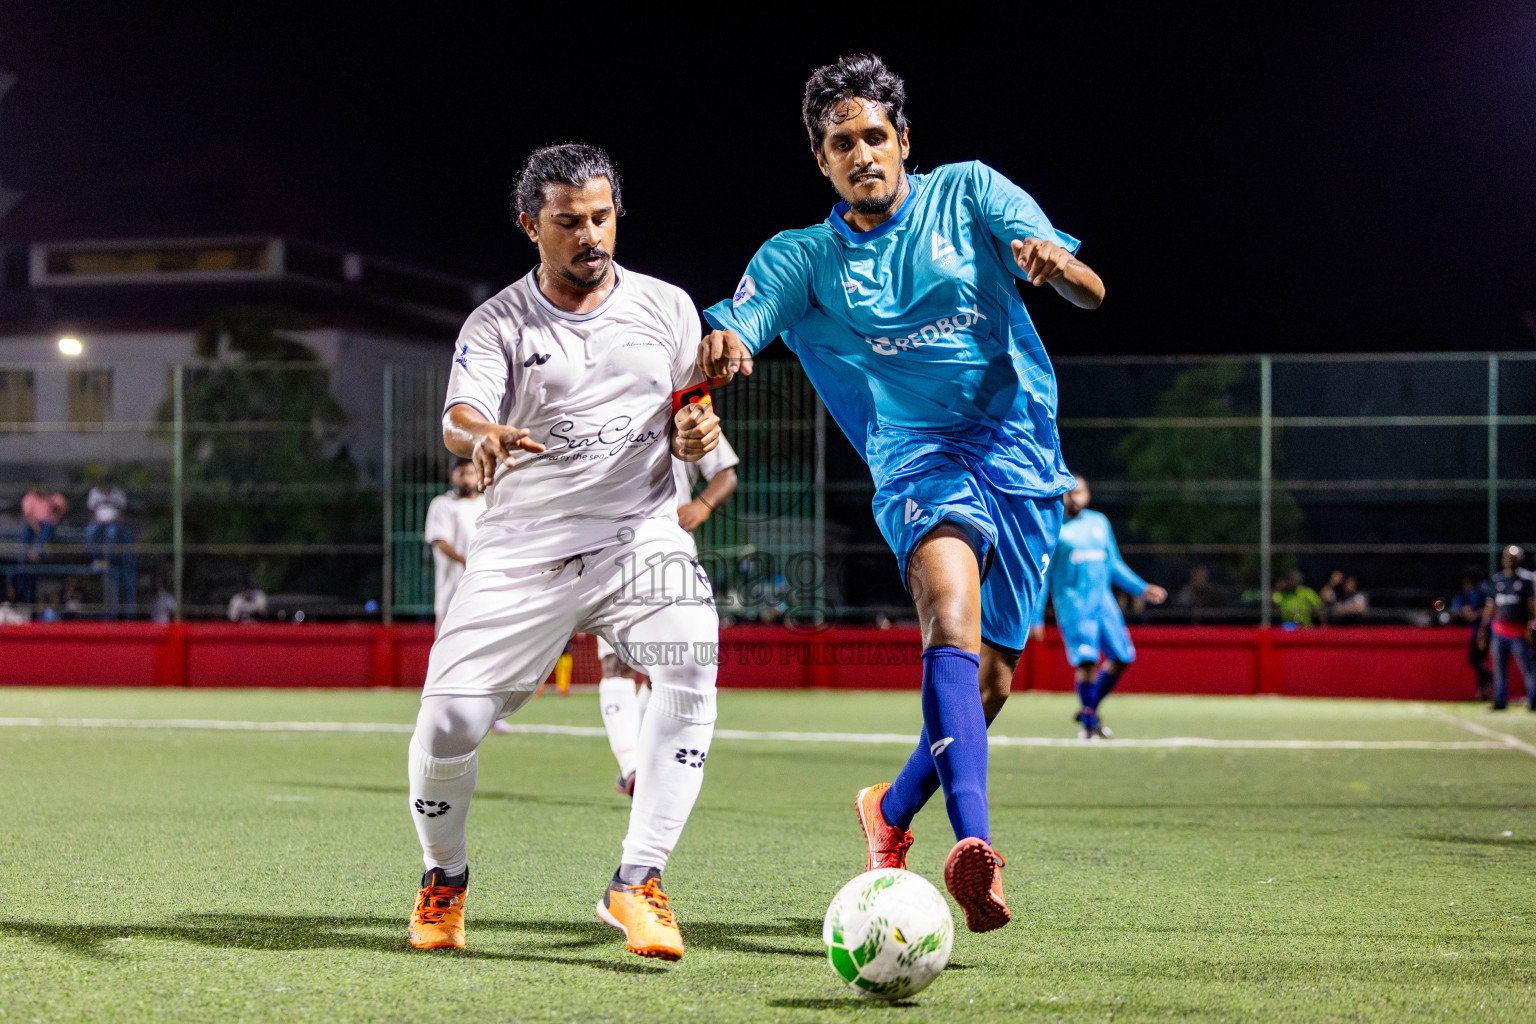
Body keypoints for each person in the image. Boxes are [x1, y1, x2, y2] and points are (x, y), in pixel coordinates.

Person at [697, 54, 1105, 933]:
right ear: (822, 161)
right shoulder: (804, 257)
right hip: (918, 462)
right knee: (947, 617)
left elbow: (1090, 289)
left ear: (904, 141)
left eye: (875, 136)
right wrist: (727, 344)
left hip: (1023, 458)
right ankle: (976, 848)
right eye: (841, 143)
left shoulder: (970, 193)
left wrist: (1052, 267)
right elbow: (744, 316)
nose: (862, 154)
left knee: (992, 681)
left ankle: (889, 811)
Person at [407, 143, 721, 962]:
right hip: (523, 550)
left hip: (639, 535)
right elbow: (460, 415)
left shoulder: (668, 307)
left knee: (691, 659)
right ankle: (445, 878)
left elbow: (691, 409)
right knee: (448, 723)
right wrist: (484, 436)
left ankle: (639, 878)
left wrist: (697, 426)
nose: (590, 235)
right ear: (530, 226)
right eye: (568, 222)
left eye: (601, 216)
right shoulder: (498, 322)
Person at [596, 434, 740, 795]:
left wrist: (702, 506)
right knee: (614, 663)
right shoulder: (598, 400)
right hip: (606, 547)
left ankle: (640, 765)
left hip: (667, 550)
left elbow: (726, 473)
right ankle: (632, 769)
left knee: (663, 665)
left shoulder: (686, 408)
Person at [1032, 476, 1166, 739]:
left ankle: (1088, 711)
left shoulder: (1099, 522)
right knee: (1087, 661)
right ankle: (1089, 723)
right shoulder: (1053, 527)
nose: (1074, 497)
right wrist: (1036, 617)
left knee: (1123, 657)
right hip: (1073, 605)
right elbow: (1043, 576)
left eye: (1079, 492)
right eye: (1068, 493)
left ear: (1087, 494)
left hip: (1104, 603)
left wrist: (1141, 587)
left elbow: (1113, 563)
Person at [422, 458, 486, 627]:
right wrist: (465, 560)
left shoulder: (487, 504)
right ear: (452, 476)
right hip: (452, 588)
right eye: (461, 473)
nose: (466, 478)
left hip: (482, 584)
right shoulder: (442, 503)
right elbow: (440, 540)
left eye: (471, 473)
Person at [1478, 545, 1535, 711]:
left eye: (1514, 557)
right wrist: (1483, 629)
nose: (1510, 560)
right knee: (1499, 669)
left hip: (1519, 631)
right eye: (1508, 557)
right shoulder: (1498, 580)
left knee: (1528, 668)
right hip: (1499, 632)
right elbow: (1491, 606)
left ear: (1520, 559)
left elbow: (1531, 605)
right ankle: (1500, 701)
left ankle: (1533, 701)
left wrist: (1531, 625)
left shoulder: (1526, 579)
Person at [17, 485, 67, 602]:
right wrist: (36, 526)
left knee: (48, 524)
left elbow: (63, 507)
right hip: (34, 524)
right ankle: (25, 555)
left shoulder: (53, 496)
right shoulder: (29, 497)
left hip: (48, 525)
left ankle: (36, 552)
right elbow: (28, 515)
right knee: (27, 530)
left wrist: (48, 500)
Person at [1449, 569, 1492, 700]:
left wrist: (1478, 620)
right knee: (1476, 661)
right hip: (1476, 632)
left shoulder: (1482, 592)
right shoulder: (1464, 596)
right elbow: (1465, 614)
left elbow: (1488, 608)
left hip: (1485, 632)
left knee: (1476, 660)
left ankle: (1488, 681)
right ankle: (1483, 690)